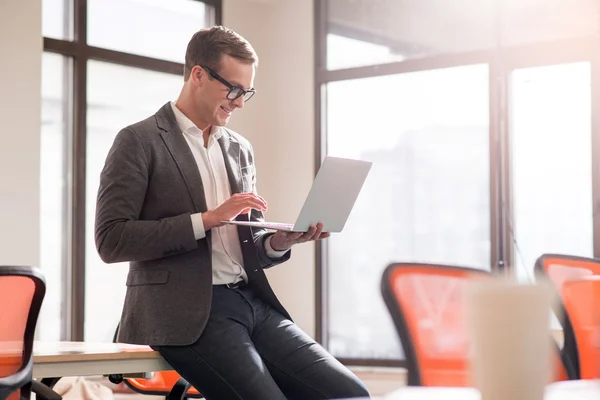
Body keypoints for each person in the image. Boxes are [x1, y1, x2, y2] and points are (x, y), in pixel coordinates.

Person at [94, 26, 370, 400]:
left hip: (249, 301)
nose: (240, 102)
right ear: (198, 75)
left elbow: (244, 241)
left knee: (349, 394)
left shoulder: (240, 148)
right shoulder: (139, 141)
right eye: (234, 89)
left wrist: (277, 242)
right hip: (185, 313)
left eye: (247, 93)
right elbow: (111, 240)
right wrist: (205, 220)